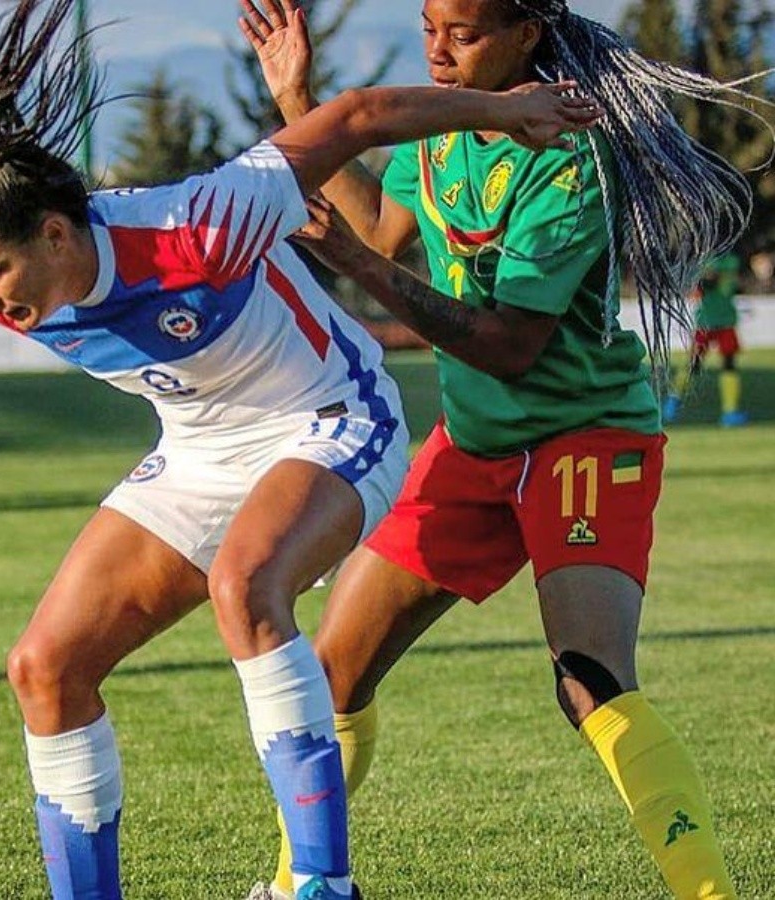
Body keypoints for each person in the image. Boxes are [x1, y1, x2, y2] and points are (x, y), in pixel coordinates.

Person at [0, 3, 597, 898]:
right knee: (45, 668)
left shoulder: (197, 226)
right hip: (201, 453)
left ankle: (321, 887)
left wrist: (508, 112)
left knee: (245, 585)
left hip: (331, 419)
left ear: (55, 235)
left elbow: (356, 121)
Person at [239, 0, 761, 898]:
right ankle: (299, 887)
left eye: (464, 33)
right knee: (329, 676)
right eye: (429, 27)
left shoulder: (568, 152)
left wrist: (366, 276)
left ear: (527, 35)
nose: (437, 53)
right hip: (474, 445)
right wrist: (298, 98)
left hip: (583, 442)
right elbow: (381, 232)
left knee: (589, 680)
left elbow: (506, 344)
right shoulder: (441, 131)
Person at [663, 252, 748, 427]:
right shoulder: (711, 260)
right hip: (709, 321)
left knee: (727, 364)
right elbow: (701, 286)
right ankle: (673, 401)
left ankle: (729, 412)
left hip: (722, 320)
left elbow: (732, 287)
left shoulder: (729, 260)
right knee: (696, 363)